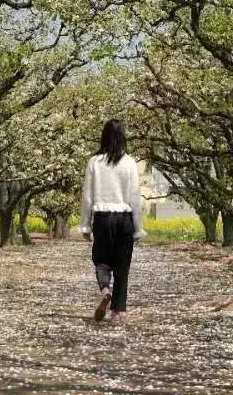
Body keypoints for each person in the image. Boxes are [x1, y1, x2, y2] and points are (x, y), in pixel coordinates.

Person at [79, 118, 145, 324]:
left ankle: (105, 289)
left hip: (102, 218)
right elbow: (135, 197)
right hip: (124, 219)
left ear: (104, 137)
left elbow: (87, 196)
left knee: (101, 260)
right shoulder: (130, 163)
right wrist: (138, 227)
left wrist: (85, 224)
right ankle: (118, 313)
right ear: (123, 137)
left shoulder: (94, 162)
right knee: (122, 267)